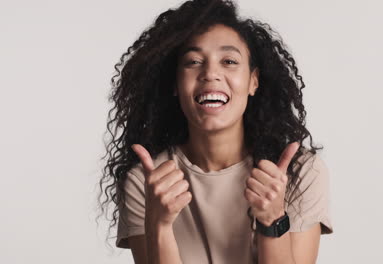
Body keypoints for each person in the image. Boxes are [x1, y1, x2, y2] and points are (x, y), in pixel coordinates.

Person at [97, 0, 334, 263]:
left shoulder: (299, 172)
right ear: (175, 84)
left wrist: (272, 221)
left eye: (229, 61)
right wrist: (159, 227)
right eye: (194, 61)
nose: (211, 73)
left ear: (253, 81)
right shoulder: (147, 182)